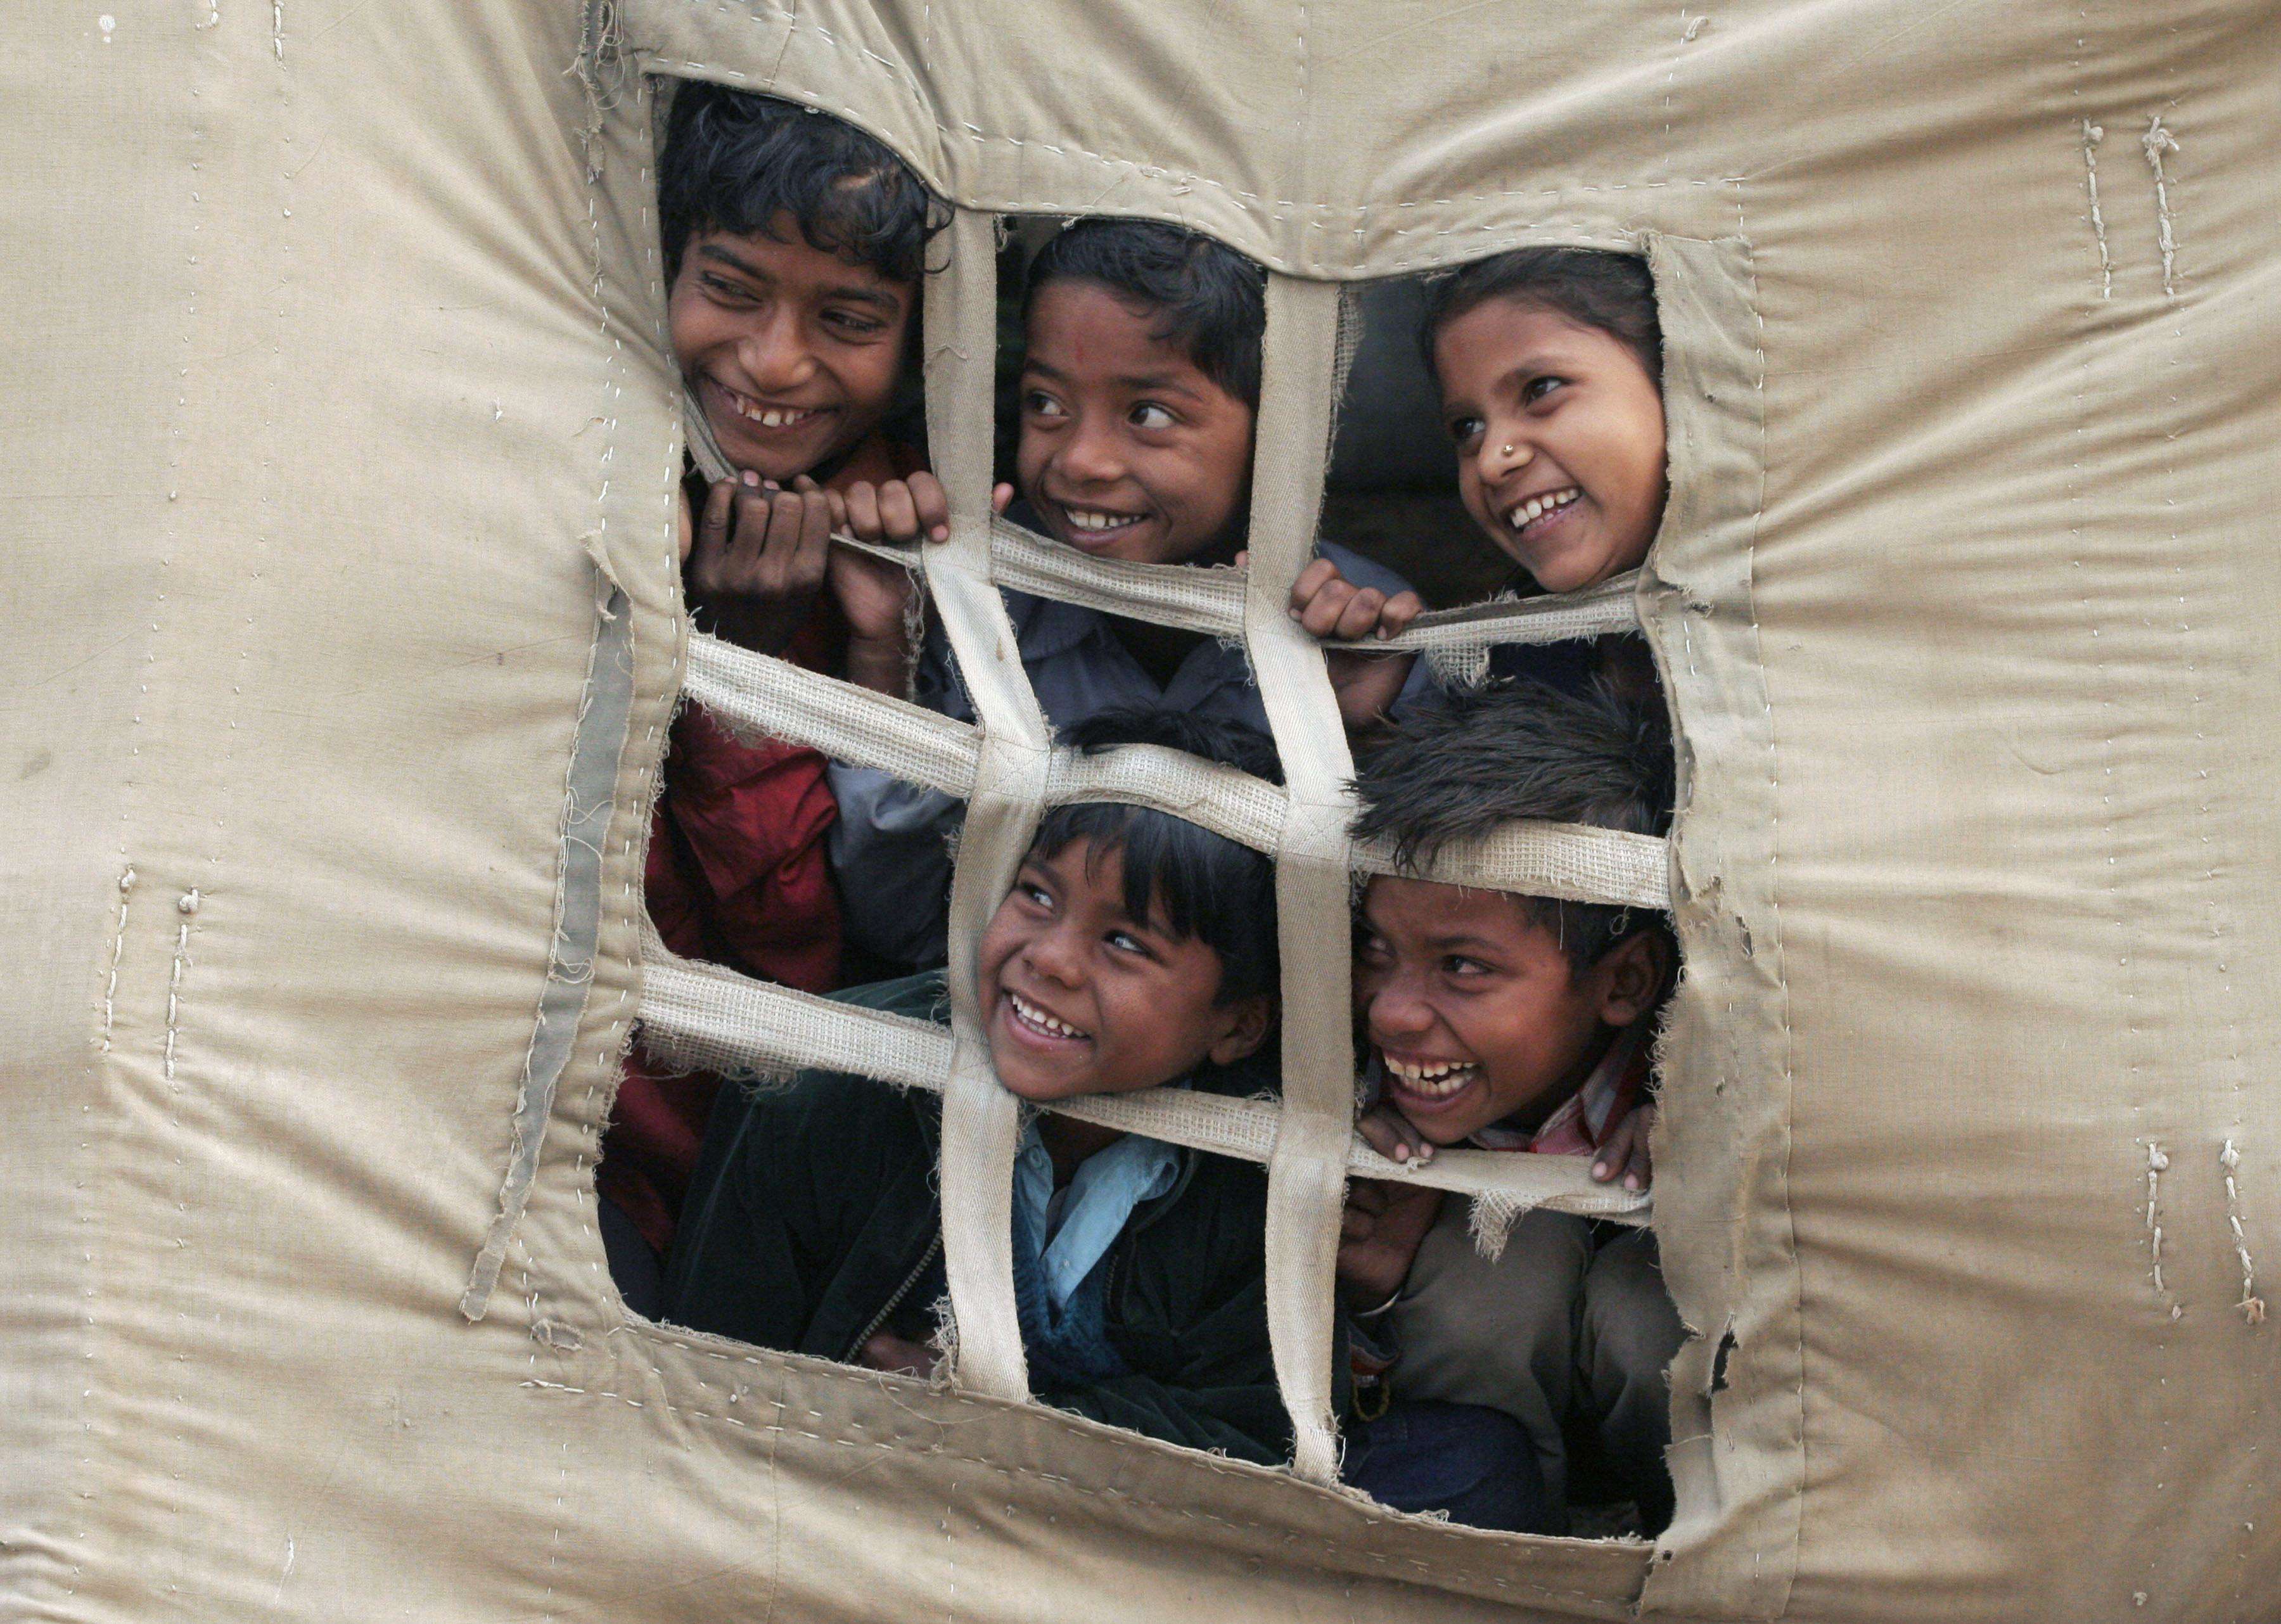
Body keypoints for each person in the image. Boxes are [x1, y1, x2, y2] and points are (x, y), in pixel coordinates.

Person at [663, 710, 1331, 1465]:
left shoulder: (1262, 1176)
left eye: (1124, 942)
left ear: (1238, 1028)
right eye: (1037, 895)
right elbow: (703, 1371)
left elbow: (1259, 1440)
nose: (1048, 959)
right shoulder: (828, 1084)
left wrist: (996, 1420)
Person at [827, 218, 1426, 971]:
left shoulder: (1362, 635)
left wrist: (1355, 740)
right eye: (1046, 403)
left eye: (1147, 415)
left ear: (1281, 435)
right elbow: (903, 926)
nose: (1080, 460)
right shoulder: (987, 605)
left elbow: (1371, 960)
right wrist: (885, 646)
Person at [599, 86, 949, 1308]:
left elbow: (802, 967)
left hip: (741, 1148)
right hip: (552, 1100)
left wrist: (762, 677)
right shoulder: (586, 463)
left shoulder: (910, 534)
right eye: (733, 288)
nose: (775, 360)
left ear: (920, 350)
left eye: (846, 317)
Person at [1334, 679, 1684, 1533]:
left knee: (1650, 1320)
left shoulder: (1698, 1065)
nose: (1389, 1011)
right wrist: (1371, 1300)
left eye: (1462, 965)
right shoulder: (1348, 1072)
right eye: (1377, 948)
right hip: (1484, 1449)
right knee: (1490, 1275)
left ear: (1626, 982)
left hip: (1652, 1452)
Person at [1293, 247, 1667, 696]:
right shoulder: (1519, 667)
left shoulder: (1766, 647)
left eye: (1540, 390)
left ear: (1675, 385)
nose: (1490, 460)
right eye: (1466, 428)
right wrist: (1389, 719)